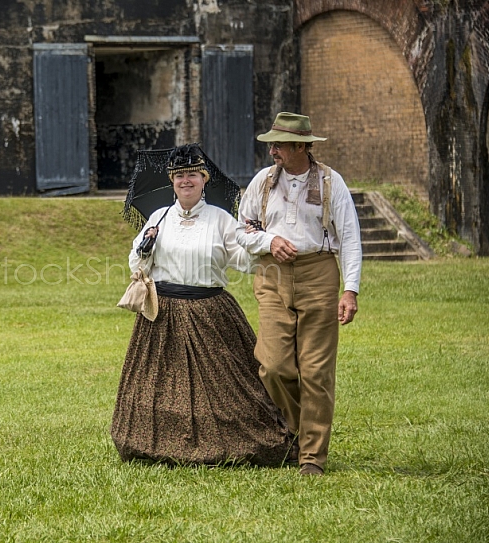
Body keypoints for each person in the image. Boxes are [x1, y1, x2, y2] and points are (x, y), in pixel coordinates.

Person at [111, 144, 292, 467]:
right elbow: (136, 264)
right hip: (162, 314)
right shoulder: (158, 218)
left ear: (204, 179)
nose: (186, 181)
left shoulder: (221, 220)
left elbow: (244, 261)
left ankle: (233, 442)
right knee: (161, 384)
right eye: (179, 175)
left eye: (192, 174)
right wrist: (145, 244)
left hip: (209, 310)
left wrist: (258, 241)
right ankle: (157, 444)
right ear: (172, 181)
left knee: (226, 384)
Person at [235, 112, 362, 476]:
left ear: (301, 146)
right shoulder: (262, 181)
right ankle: (297, 431)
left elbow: (350, 238)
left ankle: (312, 457)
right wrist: (268, 241)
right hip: (272, 275)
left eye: (279, 145)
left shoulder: (331, 182)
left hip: (318, 274)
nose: (272, 151)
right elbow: (241, 230)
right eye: (271, 144)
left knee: (316, 371)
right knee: (273, 366)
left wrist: (350, 290)